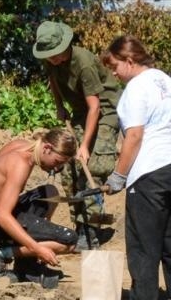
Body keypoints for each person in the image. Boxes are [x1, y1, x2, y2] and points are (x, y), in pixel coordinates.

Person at [100, 34, 171, 300]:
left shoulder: (134, 89)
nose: (114, 73)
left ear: (130, 61)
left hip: (151, 173)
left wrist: (119, 176)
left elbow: (134, 135)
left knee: (144, 240)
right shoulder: (167, 81)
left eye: (115, 66)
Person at [0, 127, 79, 286]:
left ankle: (27, 264)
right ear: (47, 148)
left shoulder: (20, 145)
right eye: (57, 162)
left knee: (49, 192)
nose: (56, 169)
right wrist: (37, 248)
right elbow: (3, 216)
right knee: (69, 240)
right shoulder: (20, 164)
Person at [32, 20, 123, 183]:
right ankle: (77, 207)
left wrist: (85, 145)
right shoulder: (52, 60)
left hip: (105, 111)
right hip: (82, 111)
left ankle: (93, 207)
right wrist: (59, 106)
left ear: (64, 47)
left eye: (53, 54)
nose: (50, 59)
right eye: (48, 56)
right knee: (69, 164)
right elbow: (53, 79)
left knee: (94, 166)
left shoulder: (83, 64)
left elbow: (95, 107)